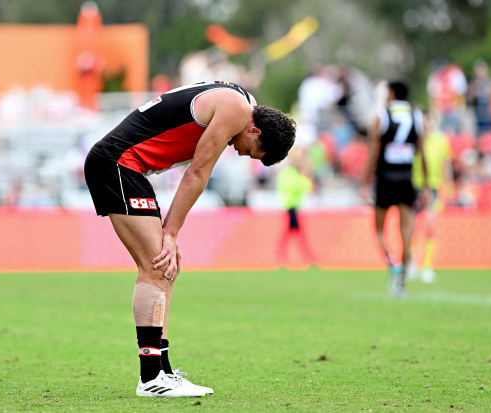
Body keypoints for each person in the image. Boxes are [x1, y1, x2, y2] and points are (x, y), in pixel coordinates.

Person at [83, 80, 296, 397]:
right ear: (256, 131)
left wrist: (170, 232)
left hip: (128, 166)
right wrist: (170, 232)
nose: (240, 153)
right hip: (118, 162)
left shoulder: (241, 100)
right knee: (156, 266)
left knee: (166, 268)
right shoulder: (236, 109)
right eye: (250, 152)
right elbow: (197, 172)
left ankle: (163, 370)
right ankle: (151, 377)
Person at [361, 80, 428, 298]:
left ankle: (393, 264)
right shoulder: (418, 116)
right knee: (407, 230)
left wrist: (365, 181)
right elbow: (422, 152)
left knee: (380, 230)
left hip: (385, 178)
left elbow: (374, 151)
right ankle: (402, 280)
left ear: (390, 93)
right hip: (407, 177)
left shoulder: (381, 115)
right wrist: (426, 183)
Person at [409, 122, 453, 284]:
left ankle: (427, 266)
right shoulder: (414, 139)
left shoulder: (440, 140)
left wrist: (447, 186)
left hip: (433, 186)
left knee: (429, 226)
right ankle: (412, 263)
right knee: (412, 227)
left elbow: (445, 164)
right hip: (415, 186)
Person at [276, 147, 316, 267]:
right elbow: (302, 186)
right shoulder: (291, 174)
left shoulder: (288, 173)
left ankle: (282, 257)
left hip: (292, 207)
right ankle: (306, 257)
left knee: (292, 234)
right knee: (296, 234)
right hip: (291, 207)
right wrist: (305, 176)